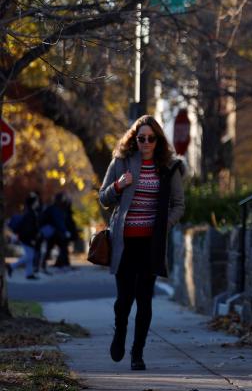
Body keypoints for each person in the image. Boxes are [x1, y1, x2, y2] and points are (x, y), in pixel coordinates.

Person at [98, 115, 185, 371]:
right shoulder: (121, 162)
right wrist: (118, 184)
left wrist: (163, 226)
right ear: (134, 140)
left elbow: (179, 205)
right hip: (124, 243)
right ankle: (120, 332)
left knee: (144, 300)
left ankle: (138, 353)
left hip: (151, 244)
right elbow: (103, 198)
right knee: (124, 300)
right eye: (141, 138)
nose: (146, 143)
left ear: (158, 140)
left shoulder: (169, 167)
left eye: (150, 138)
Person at [9, 192, 41, 280]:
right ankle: (12, 266)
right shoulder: (30, 214)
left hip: (26, 237)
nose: (38, 203)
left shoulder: (30, 212)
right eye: (37, 201)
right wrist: (32, 238)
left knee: (30, 255)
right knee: (29, 256)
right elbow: (29, 228)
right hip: (27, 238)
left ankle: (29, 273)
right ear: (33, 203)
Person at [38, 192, 69, 272]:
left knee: (50, 248)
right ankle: (62, 265)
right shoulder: (57, 209)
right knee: (62, 248)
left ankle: (43, 265)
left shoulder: (52, 208)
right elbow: (59, 222)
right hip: (56, 233)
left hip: (51, 233)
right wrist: (64, 231)